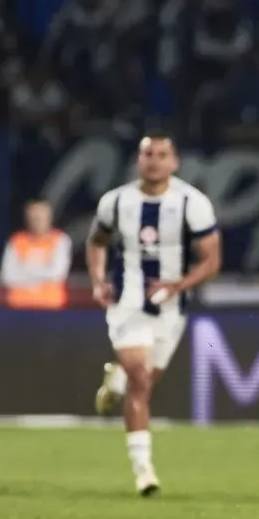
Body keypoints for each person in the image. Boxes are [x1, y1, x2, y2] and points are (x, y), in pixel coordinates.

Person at [86, 133, 222, 496]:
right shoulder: (115, 202)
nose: (154, 161)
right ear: (138, 160)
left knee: (144, 383)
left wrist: (179, 284)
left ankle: (117, 380)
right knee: (142, 379)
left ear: (174, 162)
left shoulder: (192, 203)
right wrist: (99, 280)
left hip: (170, 308)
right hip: (127, 302)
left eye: (162, 155)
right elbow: (97, 242)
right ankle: (144, 470)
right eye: (148, 154)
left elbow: (212, 260)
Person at [0, 199, 72, 309]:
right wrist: (42, 272)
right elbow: (8, 277)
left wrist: (24, 270)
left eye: (40, 216)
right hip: (18, 308)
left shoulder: (60, 240)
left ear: (49, 216)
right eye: (33, 216)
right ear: (26, 217)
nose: (37, 220)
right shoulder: (16, 241)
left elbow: (57, 274)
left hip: (51, 307)